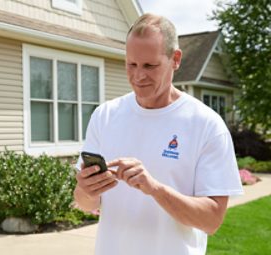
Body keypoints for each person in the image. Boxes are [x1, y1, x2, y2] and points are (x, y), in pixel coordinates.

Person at [74, 13, 243, 255]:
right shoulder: (105, 116)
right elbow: (85, 203)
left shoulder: (206, 125)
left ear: (175, 59)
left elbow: (212, 220)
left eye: (150, 66)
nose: (138, 76)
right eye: (131, 64)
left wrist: (154, 188)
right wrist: (86, 190)